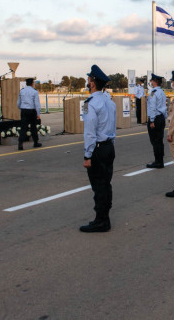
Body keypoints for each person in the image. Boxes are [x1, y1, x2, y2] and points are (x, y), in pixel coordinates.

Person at [80, 65, 116, 233]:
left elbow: (90, 132)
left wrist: (88, 155)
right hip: (109, 146)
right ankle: (104, 218)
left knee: (99, 186)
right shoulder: (109, 101)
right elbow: (113, 126)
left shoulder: (90, 103)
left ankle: (101, 221)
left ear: (93, 83)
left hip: (98, 149)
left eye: (89, 79)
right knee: (106, 184)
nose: (87, 82)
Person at [146, 74, 167, 169]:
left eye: (151, 81)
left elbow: (152, 107)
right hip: (161, 117)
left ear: (154, 81)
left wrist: (151, 121)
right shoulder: (162, 92)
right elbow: (164, 106)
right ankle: (160, 160)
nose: (150, 82)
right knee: (159, 140)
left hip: (155, 118)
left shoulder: (153, 92)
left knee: (155, 141)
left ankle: (157, 161)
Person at [17, 78, 42, 151]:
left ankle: (20, 144)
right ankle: (35, 142)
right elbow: (37, 104)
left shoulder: (22, 91)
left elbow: (18, 102)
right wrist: (38, 113)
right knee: (33, 127)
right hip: (32, 111)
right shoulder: (34, 92)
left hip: (24, 110)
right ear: (32, 83)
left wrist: (20, 108)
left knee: (23, 127)